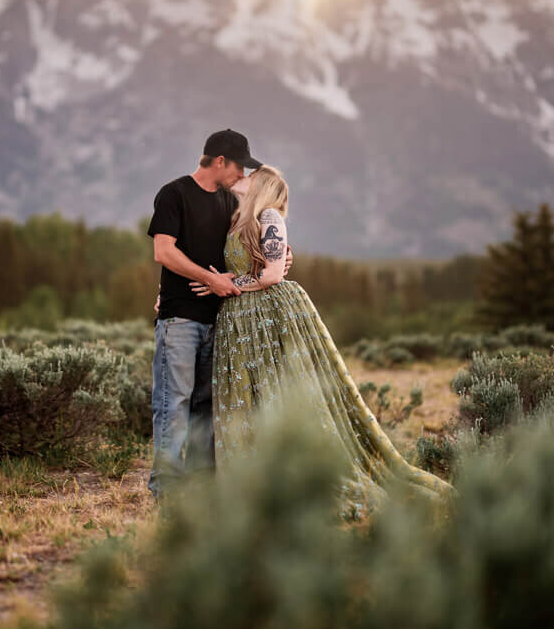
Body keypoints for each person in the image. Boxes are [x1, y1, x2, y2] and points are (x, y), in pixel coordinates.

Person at [190, 164, 455, 518]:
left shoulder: (269, 216)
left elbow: (270, 276)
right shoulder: (236, 219)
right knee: (249, 399)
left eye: (251, 175)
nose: (244, 177)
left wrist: (227, 285)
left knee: (279, 391)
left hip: (269, 317)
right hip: (240, 323)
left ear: (263, 186)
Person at [146, 130, 293, 503]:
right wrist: (209, 278)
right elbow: (164, 252)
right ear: (220, 162)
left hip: (223, 320)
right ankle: (165, 490)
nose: (242, 175)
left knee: (206, 407)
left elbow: (254, 244)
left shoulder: (231, 202)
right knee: (173, 403)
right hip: (181, 318)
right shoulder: (174, 194)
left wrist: (282, 258)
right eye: (239, 166)